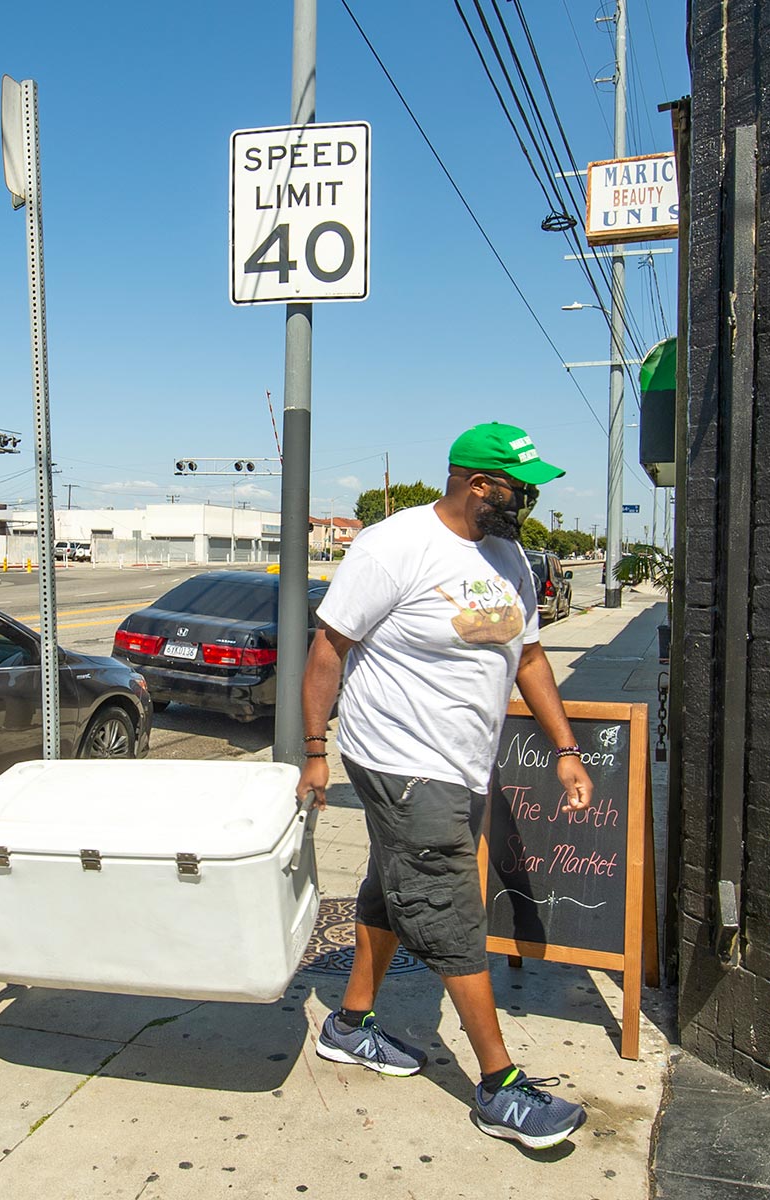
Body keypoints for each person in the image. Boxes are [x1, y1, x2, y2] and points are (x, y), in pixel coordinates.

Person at [296, 421, 594, 1151]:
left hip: (463, 762)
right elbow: (328, 646)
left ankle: (351, 1022)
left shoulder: (510, 556)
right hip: (399, 758)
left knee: (388, 887)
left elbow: (528, 656)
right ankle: (499, 1087)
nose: (529, 500)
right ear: (477, 483)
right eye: (521, 488)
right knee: (447, 903)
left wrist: (566, 745)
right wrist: (313, 749)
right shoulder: (393, 547)